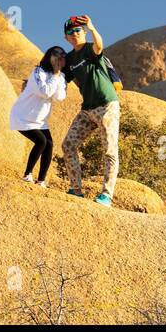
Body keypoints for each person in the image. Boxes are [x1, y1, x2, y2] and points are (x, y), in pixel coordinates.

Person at [60, 14, 120, 206]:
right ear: (66, 38)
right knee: (68, 145)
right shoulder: (69, 60)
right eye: (70, 32)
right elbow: (61, 78)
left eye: (78, 30)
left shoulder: (89, 48)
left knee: (110, 150)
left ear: (84, 33)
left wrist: (93, 28)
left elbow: (99, 46)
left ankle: (107, 195)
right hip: (87, 110)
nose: (75, 34)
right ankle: (76, 190)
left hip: (106, 105)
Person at [9, 46, 67, 186]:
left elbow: (59, 97)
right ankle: (27, 174)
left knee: (49, 144)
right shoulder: (38, 72)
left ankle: (41, 181)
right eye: (57, 58)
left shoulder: (60, 76)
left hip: (39, 120)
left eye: (61, 58)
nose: (59, 61)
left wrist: (57, 75)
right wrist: (54, 75)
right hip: (22, 117)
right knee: (41, 141)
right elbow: (45, 92)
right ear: (49, 57)